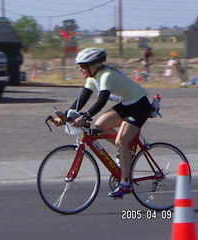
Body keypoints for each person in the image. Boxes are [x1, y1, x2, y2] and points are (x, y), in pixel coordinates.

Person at [53, 48, 153, 198]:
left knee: (121, 140)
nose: (80, 69)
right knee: (100, 126)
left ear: (94, 66)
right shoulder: (93, 77)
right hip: (127, 104)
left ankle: (126, 183)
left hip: (140, 105)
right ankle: (125, 152)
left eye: (82, 66)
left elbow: (101, 101)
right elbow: (82, 99)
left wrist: (85, 117)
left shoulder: (106, 76)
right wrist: (65, 117)